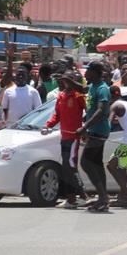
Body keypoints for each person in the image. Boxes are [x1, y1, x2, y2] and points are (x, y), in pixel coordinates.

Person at [42, 72, 92, 208]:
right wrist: (47, 125)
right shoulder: (61, 96)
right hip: (64, 136)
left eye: (71, 79)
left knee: (70, 166)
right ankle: (71, 198)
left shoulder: (78, 95)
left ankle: (83, 194)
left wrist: (84, 130)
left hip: (74, 137)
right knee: (66, 167)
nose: (67, 81)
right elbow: (57, 115)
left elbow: (88, 112)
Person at [77, 61, 112, 211]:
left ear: (96, 72)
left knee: (85, 162)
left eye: (88, 70)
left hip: (99, 130)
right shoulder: (92, 86)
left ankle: (103, 196)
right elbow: (81, 88)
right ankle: (103, 198)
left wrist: (84, 127)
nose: (85, 72)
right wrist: (67, 79)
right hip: (94, 130)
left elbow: (101, 111)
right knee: (97, 164)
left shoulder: (103, 89)